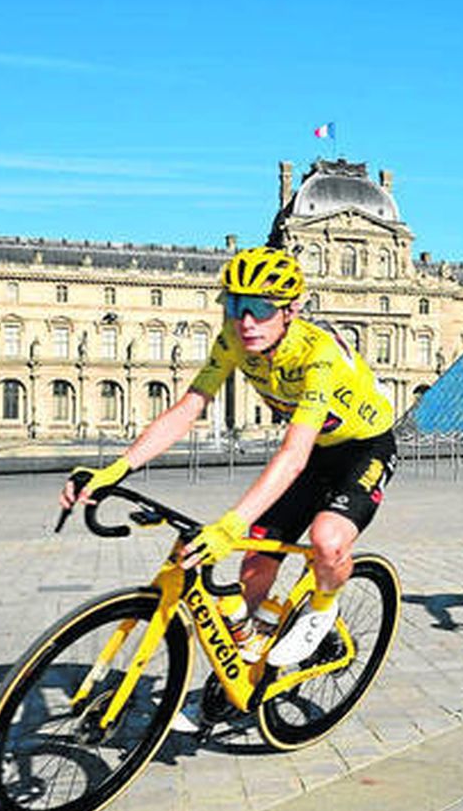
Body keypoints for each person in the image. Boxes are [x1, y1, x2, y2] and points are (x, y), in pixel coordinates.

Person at [60, 247, 397, 678]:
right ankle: (245, 669)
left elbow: (292, 455)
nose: (246, 321)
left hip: (363, 449)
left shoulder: (319, 356)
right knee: (254, 563)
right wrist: (117, 467)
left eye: (259, 307)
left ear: (291, 310)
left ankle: (322, 611)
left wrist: (229, 525)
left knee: (327, 540)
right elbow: (188, 408)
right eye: (235, 305)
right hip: (313, 452)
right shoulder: (234, 341)